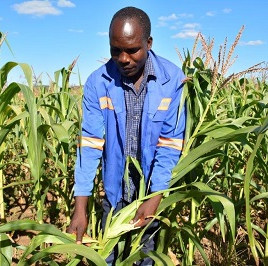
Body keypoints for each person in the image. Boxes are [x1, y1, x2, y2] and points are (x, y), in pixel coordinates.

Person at [67, 6, 186, 265]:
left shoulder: (172, 80)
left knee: (144, 258)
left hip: (150, 194)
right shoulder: (98, 82)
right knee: (108, 257)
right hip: (115, 192)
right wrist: (80, 209)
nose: (123, 58)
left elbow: (170, 145)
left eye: (132, 50)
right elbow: (89, 145)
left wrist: (155, 198)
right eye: (115, 50)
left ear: (149, 43)